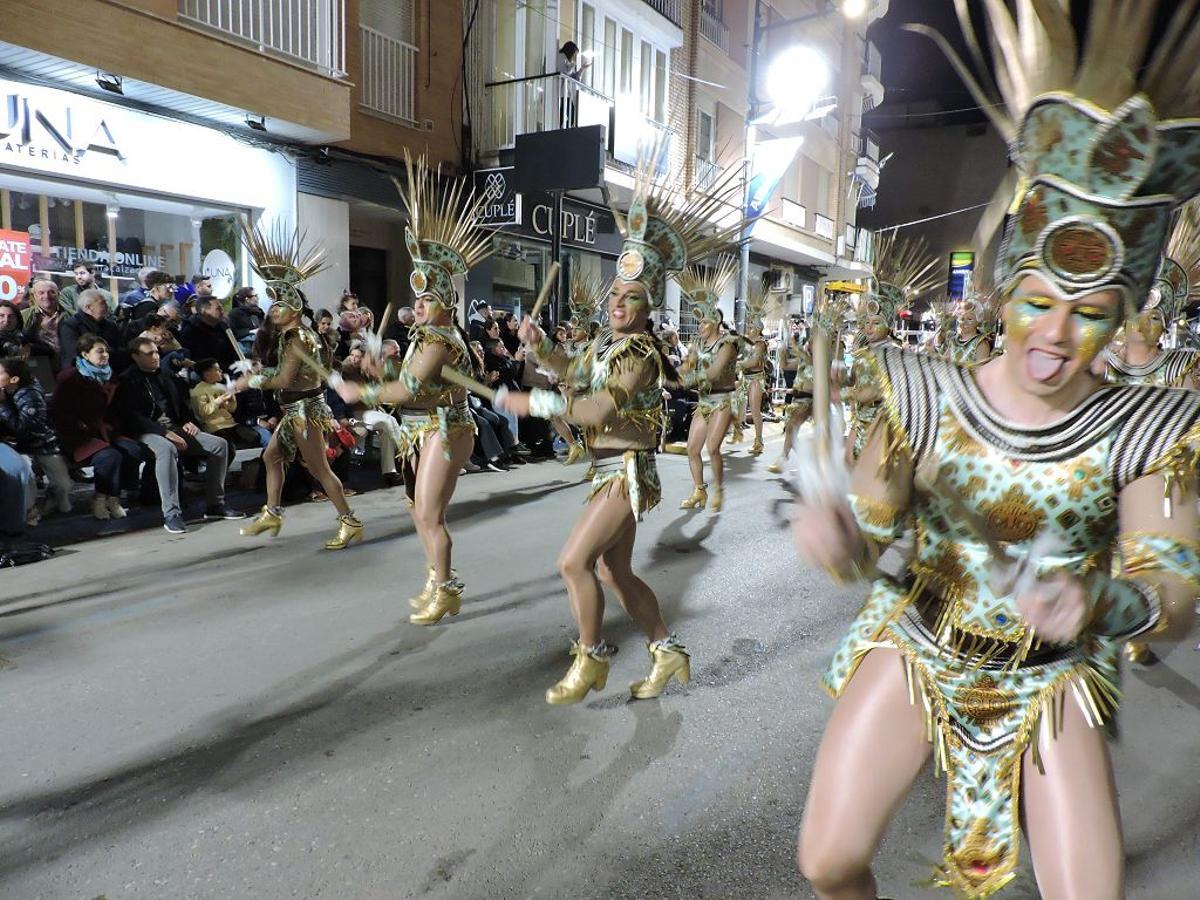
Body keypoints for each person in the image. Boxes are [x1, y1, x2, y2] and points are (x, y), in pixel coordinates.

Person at [793, 5, 1200, 897]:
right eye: (1039, 300)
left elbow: (1173, 595)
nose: (1056, 333)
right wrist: (838, 542)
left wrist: (1098, 600)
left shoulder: (1148, 429)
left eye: (1090, 312)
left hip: (1050, 676)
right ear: (1006, 287)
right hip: (922, 637)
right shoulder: (920, 394)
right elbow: (868, 536)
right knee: (827, 860)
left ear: (1123, 316)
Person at [495, 155, 738, 704]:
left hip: (626, 471)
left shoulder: (641, 352)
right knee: (612, 571)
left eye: (629, 297)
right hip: (607, 469)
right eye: (614, 295)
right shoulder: (607, 344)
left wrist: (532, 401)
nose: (617, 304)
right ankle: (665, 648)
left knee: (572, 563)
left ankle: (592, 658)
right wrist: (538, 347)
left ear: (648, 305)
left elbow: (600, 408)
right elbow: (571, 368)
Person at [332, 151, 488, 623]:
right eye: (417, 298)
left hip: (445, 427)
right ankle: (436, 578)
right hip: (424, 427)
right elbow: (409, 386)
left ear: (445, 301)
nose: (418, 306)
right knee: (418, 510)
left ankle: (445, 587)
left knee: (426, 513)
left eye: (427, 299)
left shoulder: (440, 338)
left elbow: (412, 388)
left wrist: (366, 394)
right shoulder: (424, 336)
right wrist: (380, 373)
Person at [237, 224, 361, 550]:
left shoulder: (298, 338)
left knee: (320, 469)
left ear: (293, 308)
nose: (272, 310)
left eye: (278, 305)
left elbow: (282, 379)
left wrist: (247, 381)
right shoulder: (292, 336)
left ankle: (349, 522)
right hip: (295, 409)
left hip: (306, 410)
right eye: (272, 304)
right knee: (271, 456)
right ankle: (273, 512)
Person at [116, 336, 243, 533]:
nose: (156, 357)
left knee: (219, 445)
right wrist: (164, 432)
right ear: (135, 356)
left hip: (174, 428)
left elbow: (180, 406)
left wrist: (187, 422)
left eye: (157, 352)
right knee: (166, 449)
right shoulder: (126, 381)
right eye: (149, 354)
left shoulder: (165, 376)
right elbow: (133, 417)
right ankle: (172, 513)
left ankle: (215, 504)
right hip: (145, 432)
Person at [49, 334, 142, 520]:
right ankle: (100, 499)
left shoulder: (111, 377)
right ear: (85, 354)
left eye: (106, 351)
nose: (105, 355)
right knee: (109, 456)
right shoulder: (70, 378)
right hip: (77, 435)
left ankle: (113, 497)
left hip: (105, 431)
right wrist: (84, 426)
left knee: (133, 450)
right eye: (100, 351)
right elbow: (57, 412)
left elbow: (116, 410)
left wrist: (111, 427)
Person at [675, 259, 739, 512]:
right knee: (692, 449)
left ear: (714, 322)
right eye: (698, 323)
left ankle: (719, 489)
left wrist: (688, 379)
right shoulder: (695, 345)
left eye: (703, 323)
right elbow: (685, 368)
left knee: (712, 448)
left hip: (722, 401)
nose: (699, 327)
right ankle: (699, 490)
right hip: (703, 402)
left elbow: (713, 373)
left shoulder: (727, 345)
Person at [0, 356, 73, 519]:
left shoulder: (30, 395)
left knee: (62, 485)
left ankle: (52, 500)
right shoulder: (6, 390)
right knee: (25, 474)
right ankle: (27, 511)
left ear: (14, 379)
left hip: (41, 444)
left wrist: (2, 405)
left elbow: (25, 428)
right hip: (15, 447)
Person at [739, 287, 771, 456]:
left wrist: (738, 364)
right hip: (743, 378)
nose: (749, 328)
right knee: (735, 403)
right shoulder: (745, 341)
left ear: (758, 329)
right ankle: (737, 430)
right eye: (748, 324)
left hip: (755, 379)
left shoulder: (760, 343)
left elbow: (752, 361)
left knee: (755, 410)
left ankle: (759, 441)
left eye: (752, 326)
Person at [59, 289, 123, 369]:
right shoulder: (70, 326)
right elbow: (75, 355)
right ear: (88, 307)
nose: (107, 305)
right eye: (102, 303)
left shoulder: (111, 325)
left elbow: (119, 349)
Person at [179, 294, 238, 371]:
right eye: (218, 309)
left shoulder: (222, 325)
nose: (222, 311)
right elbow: (200, 359)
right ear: (204, 311)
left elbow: (233, 349)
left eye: (221, 307)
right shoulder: (191, 332)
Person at [20, 279, 64, 372]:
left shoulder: (71, 315)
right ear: (34, 296)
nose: (46, 296)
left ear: (58, 294)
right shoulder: (22, 316)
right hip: (38, 367)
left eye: (51, 292)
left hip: (66, 366)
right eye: (41, 293)